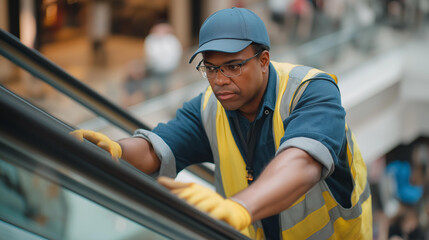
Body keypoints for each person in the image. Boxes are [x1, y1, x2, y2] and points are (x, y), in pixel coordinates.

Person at [71, 7, 372, 239]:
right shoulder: (209, 107)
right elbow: (158, 148)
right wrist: (116, 150)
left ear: (264, 60)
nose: (219, 80)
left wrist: (240, 206)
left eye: (233, 66)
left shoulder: (310, 90)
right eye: (211, 68)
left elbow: (303, 161)